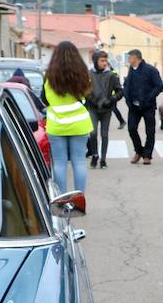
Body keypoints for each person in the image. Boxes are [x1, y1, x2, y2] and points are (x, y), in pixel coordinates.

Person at [42, 41, 94, 194]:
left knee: (59, 163)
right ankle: (79, 199)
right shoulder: (83, 75)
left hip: (57, 125)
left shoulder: (49, 77)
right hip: (79, 125)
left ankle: (63, 199)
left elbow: (44, 99)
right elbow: (88, 97)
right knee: (79, 162)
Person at [122, 49, 163, 164]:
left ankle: (147, 155)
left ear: (136, 58)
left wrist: (149, 98)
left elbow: (159, 86)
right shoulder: (131, 71)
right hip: (133, 107)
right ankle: (139, 151)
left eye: (130, 57)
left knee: (150, 132)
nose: (128, 60)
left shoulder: (151, 70)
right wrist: (127, 98)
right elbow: (126, 86)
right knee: (131, 128)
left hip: (148, 106)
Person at [84, 51, 122, 168]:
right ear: (96, 61)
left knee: (104, 134)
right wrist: (91, 99)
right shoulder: (88, 74)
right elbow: (84, 89)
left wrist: (112, 99)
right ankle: (95, 154)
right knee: (93, 132)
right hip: (92, 108)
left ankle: (103, 159)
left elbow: (120, 91)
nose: (104, 63)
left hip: (106, 109)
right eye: (102, 61)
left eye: (106, 61)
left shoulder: (111, 75)